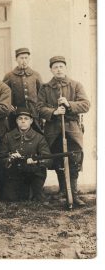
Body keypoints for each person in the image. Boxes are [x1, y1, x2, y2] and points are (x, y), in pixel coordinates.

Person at [37, 56, 90, 206]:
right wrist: (54, 112)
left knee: (73, 161)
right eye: (55, 67)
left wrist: (69, 104)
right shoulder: (45, 88)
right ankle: (63, 191)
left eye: (61, 66)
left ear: (65, 68)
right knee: (58, 160)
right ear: (51, 70)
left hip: (72, 130)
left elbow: (86, 105)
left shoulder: (75, 85)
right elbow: (39, 108)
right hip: (53, 131)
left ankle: (73, 193)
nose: (58, 69)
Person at [0, 108, 52, 203]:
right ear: (16, 121)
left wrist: (37, 161)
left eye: (26, 118)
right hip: (15, 173)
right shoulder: (8, 136)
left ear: (31, 121)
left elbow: (48, 159)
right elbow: (1, 157)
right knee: (10, 198)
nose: (23, 121)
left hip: (34, 173)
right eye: (20, 118)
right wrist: (10, 159)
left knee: (37, 198)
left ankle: (34, 192)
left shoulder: (39, 138)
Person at [3, 48, 43, 131]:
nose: (24, 61)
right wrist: (8, 105)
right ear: (16, 59)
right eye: (21, 58)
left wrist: (40, 109)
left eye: (26, 58)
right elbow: (3, 93)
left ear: (29, 59)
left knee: (36, 134)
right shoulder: (9, 76)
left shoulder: (35, 75)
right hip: (16, 113)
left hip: (33, 112)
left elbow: (42, 94)